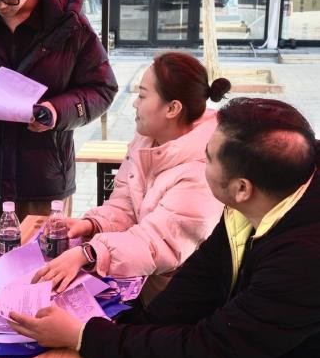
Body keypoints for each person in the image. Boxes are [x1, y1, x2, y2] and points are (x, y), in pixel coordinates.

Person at [10, 97, 320, 358]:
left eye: (208, 158)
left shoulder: (302, 263)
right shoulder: (265, 191)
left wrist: (83, 336)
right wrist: (124, 344)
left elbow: (210, 351)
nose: (201, 161)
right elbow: (198, 281)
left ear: (242, 189)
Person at [0, 0, 118, 268]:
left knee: (42, 275)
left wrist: (57, 111)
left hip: (45, 177)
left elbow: (102, 88)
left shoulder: (70, 25)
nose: (1, 6)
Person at [33, 52, 229, 304]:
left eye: (143, 95)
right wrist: (92, 224)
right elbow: (126, 204)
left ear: (172, 108)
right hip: (145, 285)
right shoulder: (148, 141)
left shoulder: (201, 169)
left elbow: (158, 243)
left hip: (179, 300)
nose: (135, 104)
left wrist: (90, 253)